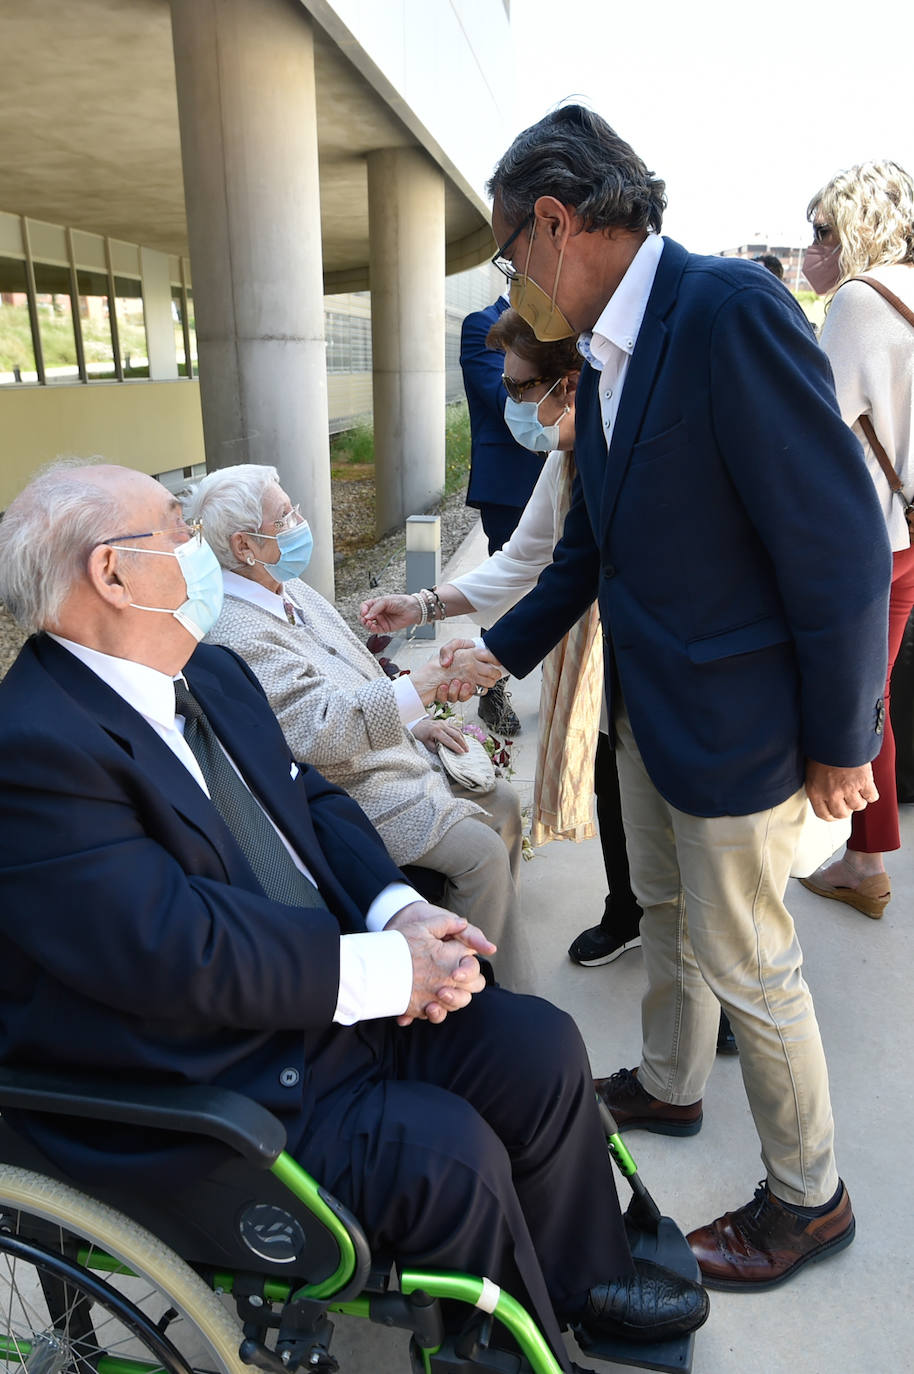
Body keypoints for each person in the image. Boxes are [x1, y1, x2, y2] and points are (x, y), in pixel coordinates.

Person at [0, 461, 709, 1370]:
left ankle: (584, 1283)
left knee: (534, 1045)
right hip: (207, 1075)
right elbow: (175, 950)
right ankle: (512, 1352)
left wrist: (400, 909)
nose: (197, 549)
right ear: (112, 573)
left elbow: (314, 803)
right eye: (178, 526)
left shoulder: (206, 673)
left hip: (313, 999)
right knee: (448, 1157)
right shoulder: (35, 750)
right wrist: (381, 971)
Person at [466, 105, 891, 1291]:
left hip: (743, 728)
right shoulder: (605, 355)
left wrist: (836, 739)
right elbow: (584, 557)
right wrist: (490, 658)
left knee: (752, 961)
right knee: (663, 910)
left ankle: (808, 1200)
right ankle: (668, 1081)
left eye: (509, 253)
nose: (514, 283)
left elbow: (837, 544)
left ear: (555, 225)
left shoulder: (722, 312)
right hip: (652, 717)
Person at [364, 310, 643, 973]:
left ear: (569, 384)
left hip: (664, 659)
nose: (512, 403)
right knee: (613, 777)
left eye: (519, 388)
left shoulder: (639, 444)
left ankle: (712, 973)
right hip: (607, 654)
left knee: (682, 825)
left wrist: (490, 661)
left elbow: (574, 574)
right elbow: (529, 560)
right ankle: (632, 909)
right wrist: (425, 603)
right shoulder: (574, 451)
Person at [182, 464, 528, 986]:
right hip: (353, 790)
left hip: (388, 758)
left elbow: (356, 677)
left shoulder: (289, 588)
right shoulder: (234, 629)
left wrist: (417, 726)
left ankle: (484, 946)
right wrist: (429, 682)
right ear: (245, 546)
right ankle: (485, 997)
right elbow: (317, 729)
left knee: (504, 803)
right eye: (285, 515)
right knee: (480, 854)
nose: (300, 520)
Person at [799, 160, 914, 919]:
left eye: (822, 231)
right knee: (875, 700)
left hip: (876, 542)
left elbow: (816, 431)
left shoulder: (860, 303)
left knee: (856, 703)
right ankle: (863, 858)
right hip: (910, 536)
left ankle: (861, 862)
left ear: (858, 229)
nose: (812, 248)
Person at [461, 296, 546, 737]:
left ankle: (560, 689)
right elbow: (503, 396)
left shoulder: (563, 321)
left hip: (558, 470)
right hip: (510, 484)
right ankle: (491, 691)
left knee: (563, 585)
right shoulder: (482, 325)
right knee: (505, 591)